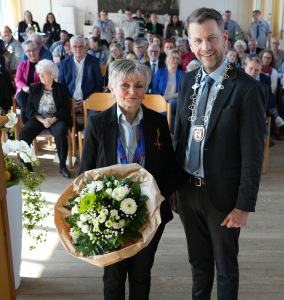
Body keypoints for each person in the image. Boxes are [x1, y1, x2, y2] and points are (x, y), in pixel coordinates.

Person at [172, 7, 265, 299]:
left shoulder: (246, 89)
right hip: (188, 191)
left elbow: (253, 154)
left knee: (225, 267)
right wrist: (175, 187)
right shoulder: (187, 81)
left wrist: (244, 205)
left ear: (224, 37)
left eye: (211, 38)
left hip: (223, 196)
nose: (205, 47)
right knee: (198, 263)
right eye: (197, 41)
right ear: (189, 43)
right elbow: (180, 138)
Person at [80, 59, 176, 300]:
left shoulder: (157, 122)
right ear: (112, 88)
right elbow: (86, 172)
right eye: (125, 85)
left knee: (142, 273)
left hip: (150, 211)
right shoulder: (98, 124)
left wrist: (155, 200)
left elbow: (170, 168)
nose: (132, 91)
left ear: (146, 89)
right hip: (109, 214)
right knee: (113, 276)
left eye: (139, 85)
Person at [20, 59, 71, 178]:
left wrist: (53, 119)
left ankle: (62, 166)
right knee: (24, 133)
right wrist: (42, 120)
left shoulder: (62, 89)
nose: (40, 76)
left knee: (60, 133)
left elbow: (65, 109)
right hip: (39, 118)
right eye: (39, 73)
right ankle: (27, 165)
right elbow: (29, 109)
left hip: (56, 118)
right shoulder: (34, 88)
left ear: (52, 74)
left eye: (44, 73)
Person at [59, 35, 103, 113]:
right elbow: (61, 86)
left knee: (94, 118)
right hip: (69, 101)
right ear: (71, 48)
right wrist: (71, 102)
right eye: (75, 47)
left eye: (81, 46)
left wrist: (86, 101)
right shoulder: (64, 63)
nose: (78, 49)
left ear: (86, 47)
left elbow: (99, 86)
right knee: (61, 117)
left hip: (89, 101)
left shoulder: (94, 62)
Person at [245, 54, 284, 130]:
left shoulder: (266, 78)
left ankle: (264, 134)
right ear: (245, 68)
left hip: (260, 107)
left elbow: (266, 96)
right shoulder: (240, 79)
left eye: (257, 70)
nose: (253, 72)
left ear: (260, 70)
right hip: (244, 108)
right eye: (251, 68)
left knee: (268, 94)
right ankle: (275, 115)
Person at [152, 49, 184, 129]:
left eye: (178, 58)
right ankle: (170, 134)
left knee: (170, 104)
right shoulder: (160, 72)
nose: (176, 60)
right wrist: (161, 98)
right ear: (168, 59)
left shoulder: (182, 74)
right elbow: (154, 88)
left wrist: (169, 97)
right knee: (166, 111)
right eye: (173, 58)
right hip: (160, 98)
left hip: (175, 100)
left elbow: (183, 91)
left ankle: (169, 133)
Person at [16, 40, 42, 124]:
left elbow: (46, 80)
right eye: (28, 51)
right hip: (25, 93)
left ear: (38, 50)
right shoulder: (22, 65)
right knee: (20, 95)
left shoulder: (45, 64)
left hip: (39, 93)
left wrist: (31, 88)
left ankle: (28, 131)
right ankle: (36, 119)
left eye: (34, 49)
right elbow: (18, 79)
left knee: (24, 109)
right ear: (25, 53)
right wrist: (25, 88)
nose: (32, 53)